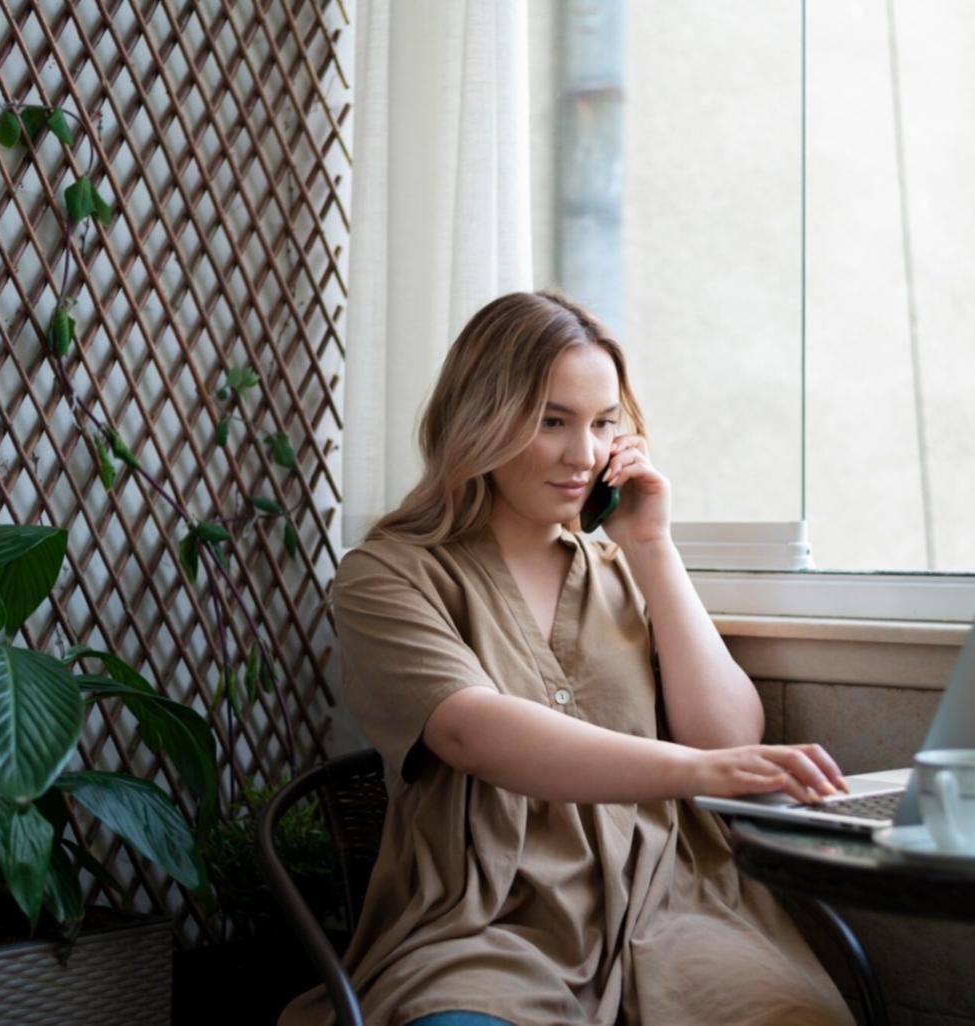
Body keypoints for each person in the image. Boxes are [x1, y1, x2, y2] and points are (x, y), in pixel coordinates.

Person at [280, 291, 856, 1026]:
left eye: (603, 423)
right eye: (551, 421)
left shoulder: (622, 567)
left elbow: (727, 738)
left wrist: (652, 548)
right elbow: (472, 732)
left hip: (676, 901)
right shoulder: (389, 576)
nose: (583, 455)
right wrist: (697, 774)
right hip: (490, 920)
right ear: (480, 416)